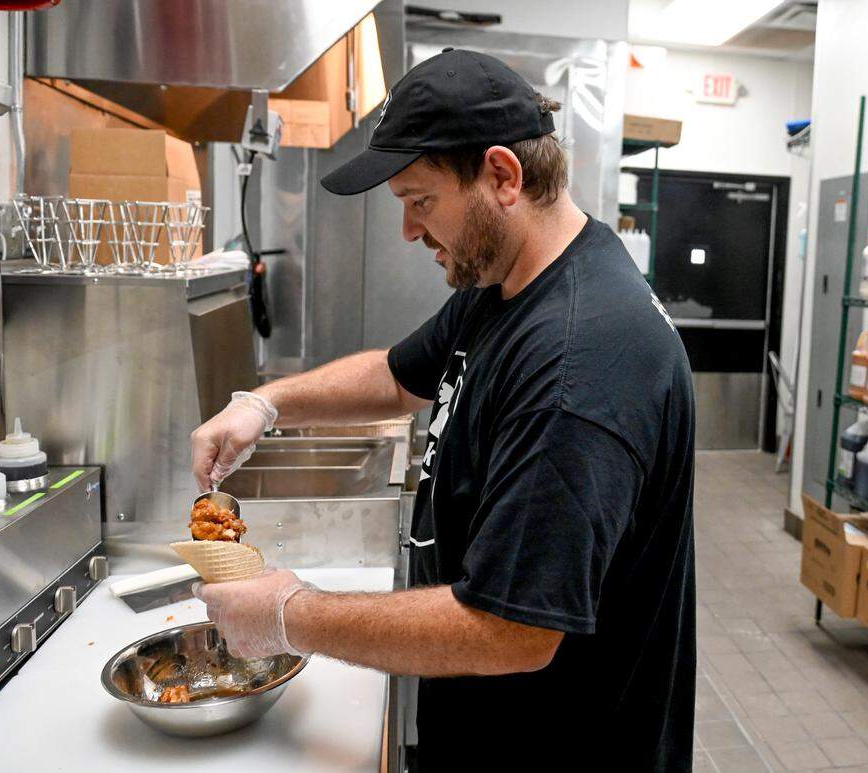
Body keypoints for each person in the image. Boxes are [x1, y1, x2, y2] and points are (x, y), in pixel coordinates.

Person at [190, 48, 696, 771]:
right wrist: (265, 403)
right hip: (488, 725)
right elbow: (399, 377)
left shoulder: (579, 366)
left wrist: (287, 614)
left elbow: (510, 630)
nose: (408, 230)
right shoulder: (514, 283)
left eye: (418, 201)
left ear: (502, 176)